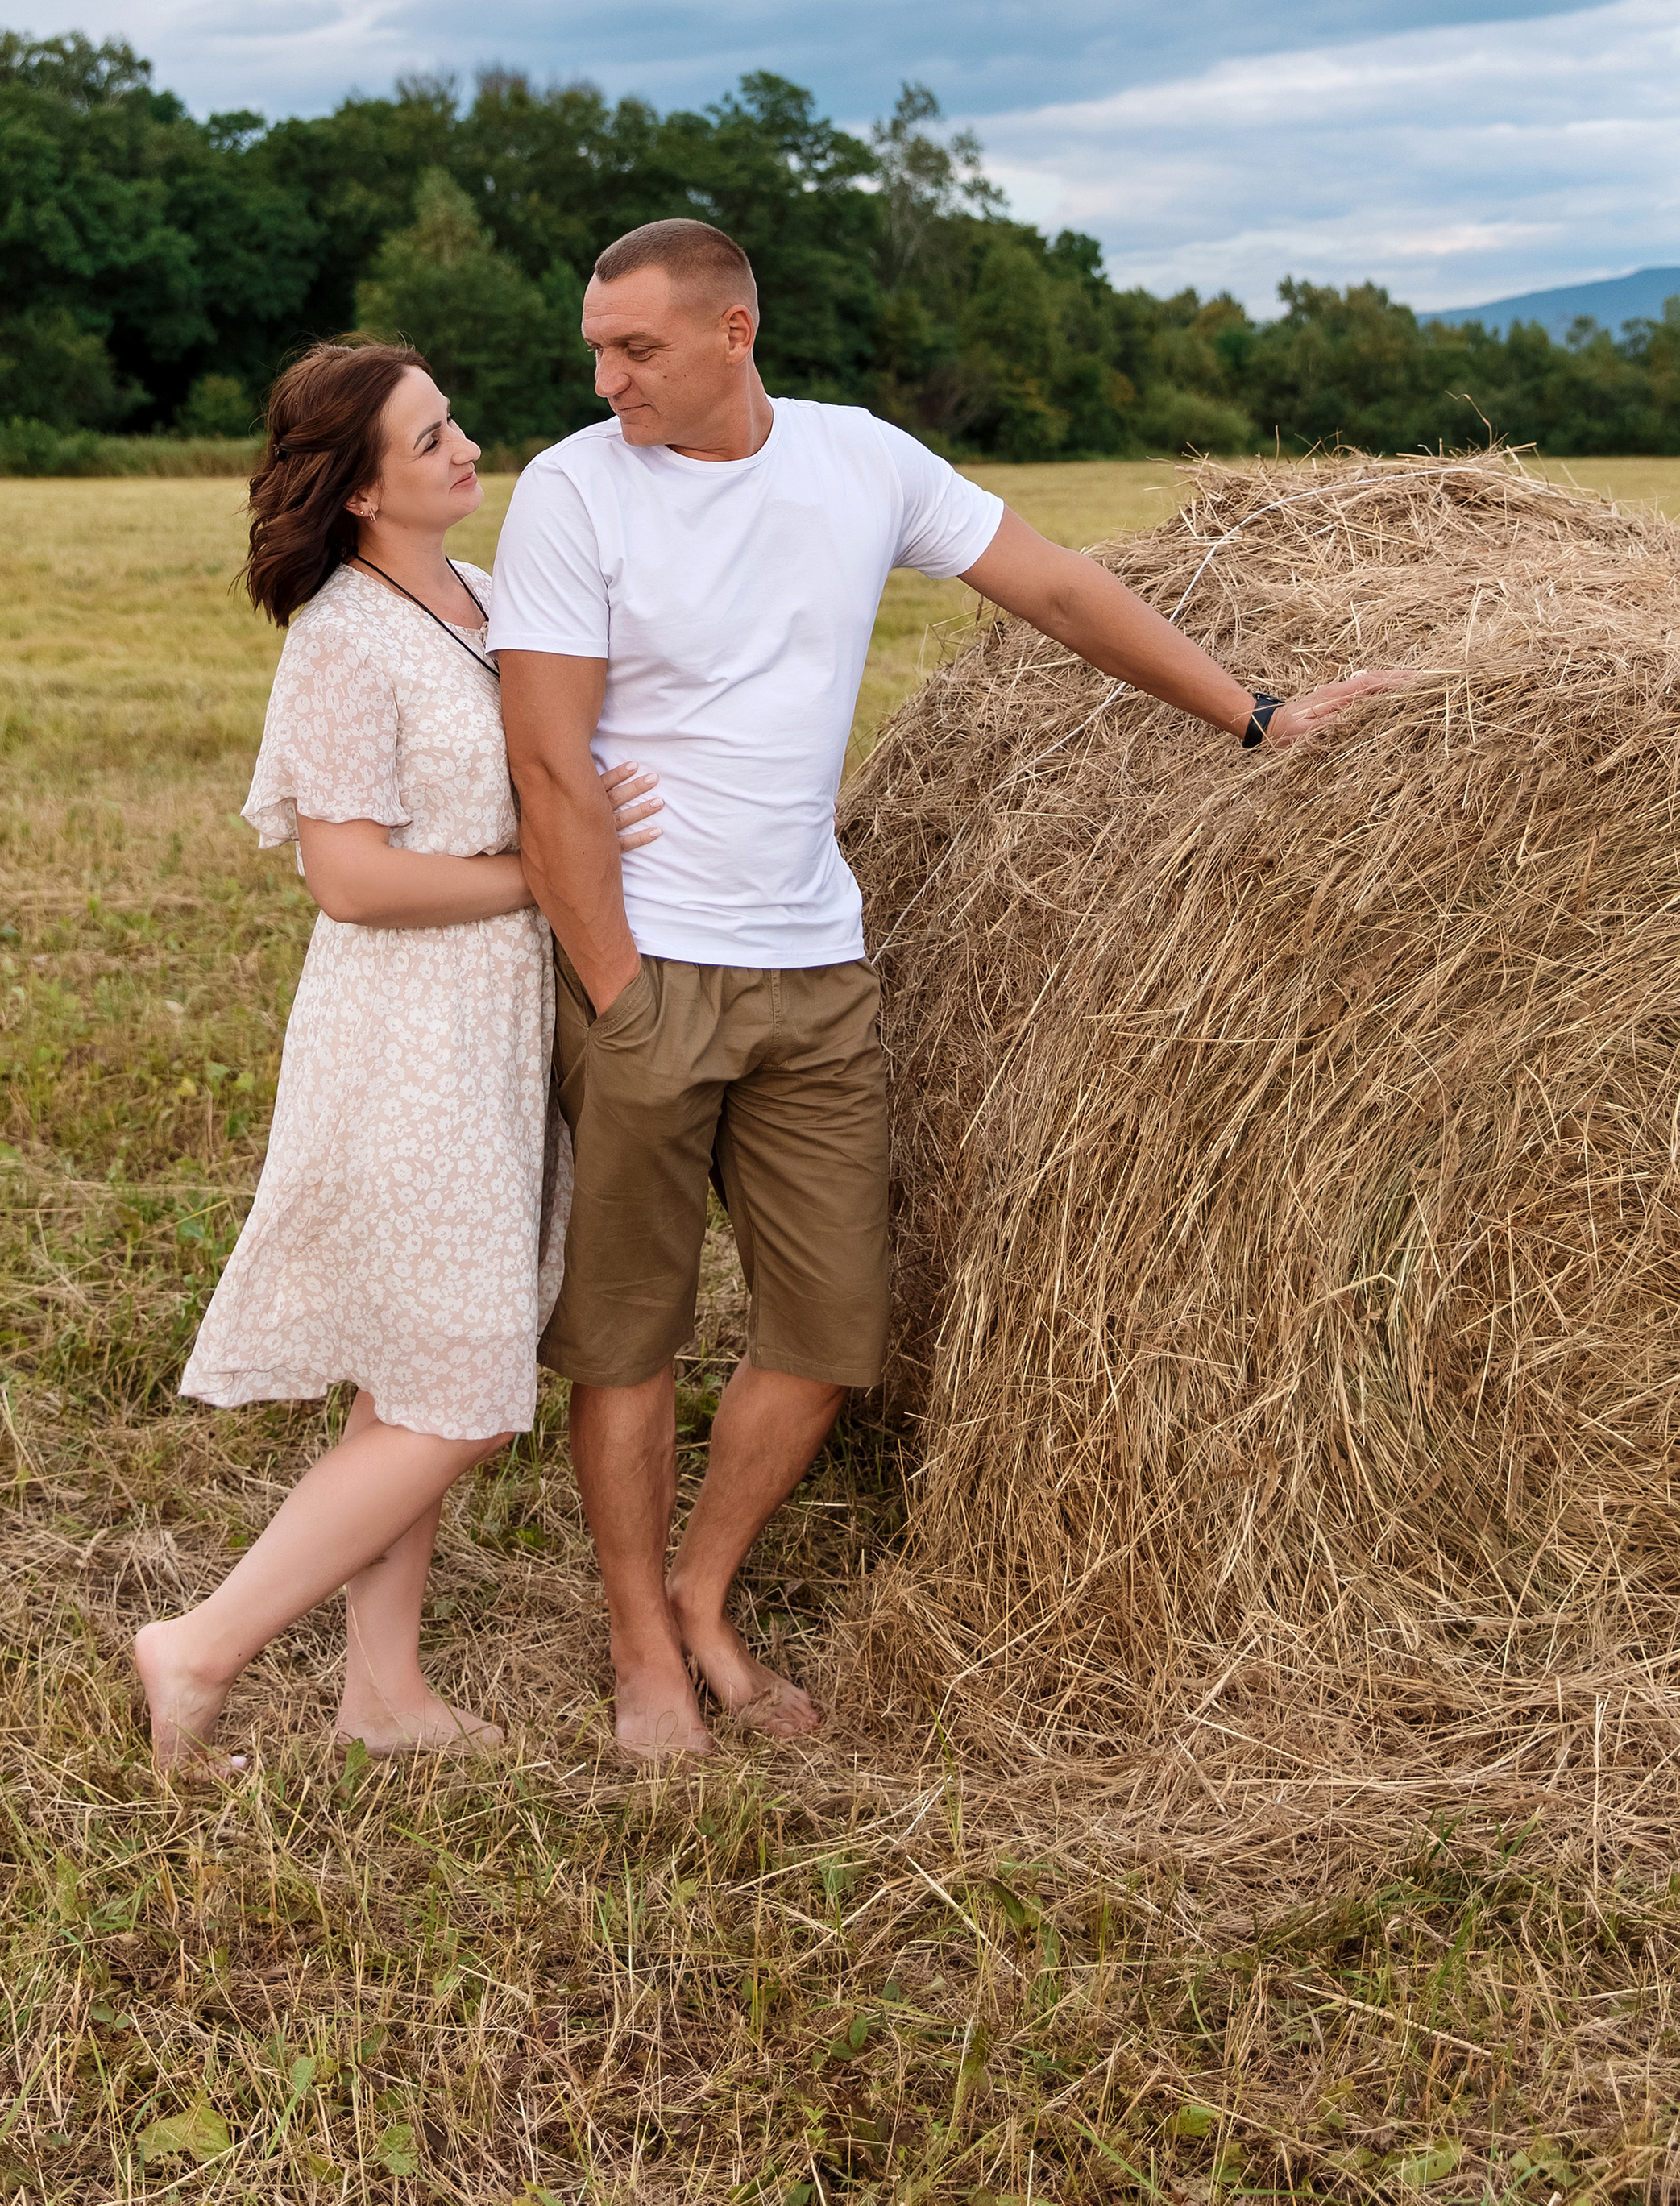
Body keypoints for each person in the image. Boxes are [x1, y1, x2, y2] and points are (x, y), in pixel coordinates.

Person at [489, 218, 1400, 1757]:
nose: (606, 379)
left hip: (817, 967)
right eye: (597, 349)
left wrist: (1254, 716)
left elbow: (1058, 590)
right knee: (630, 1335)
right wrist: (618, 991)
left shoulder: (860, 460)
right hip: (649, 968)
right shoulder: (575, 491)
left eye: (635, 348)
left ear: (733, 333)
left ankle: (705, 1593)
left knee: (833, 1326)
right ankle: (643, 1641)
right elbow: (547, 762)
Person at [132, 340, 661, 1776]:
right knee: (465, 1395)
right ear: (361, 491)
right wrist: (548, 875)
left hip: (496, 1023)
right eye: (430, 439)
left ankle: (384, 1692)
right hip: (408, 1036)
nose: (466, 446)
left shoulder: (481, 596)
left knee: (412, 1373)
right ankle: (201, 1646)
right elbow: (350, 878)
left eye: (453, 422)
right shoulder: (342, 640)